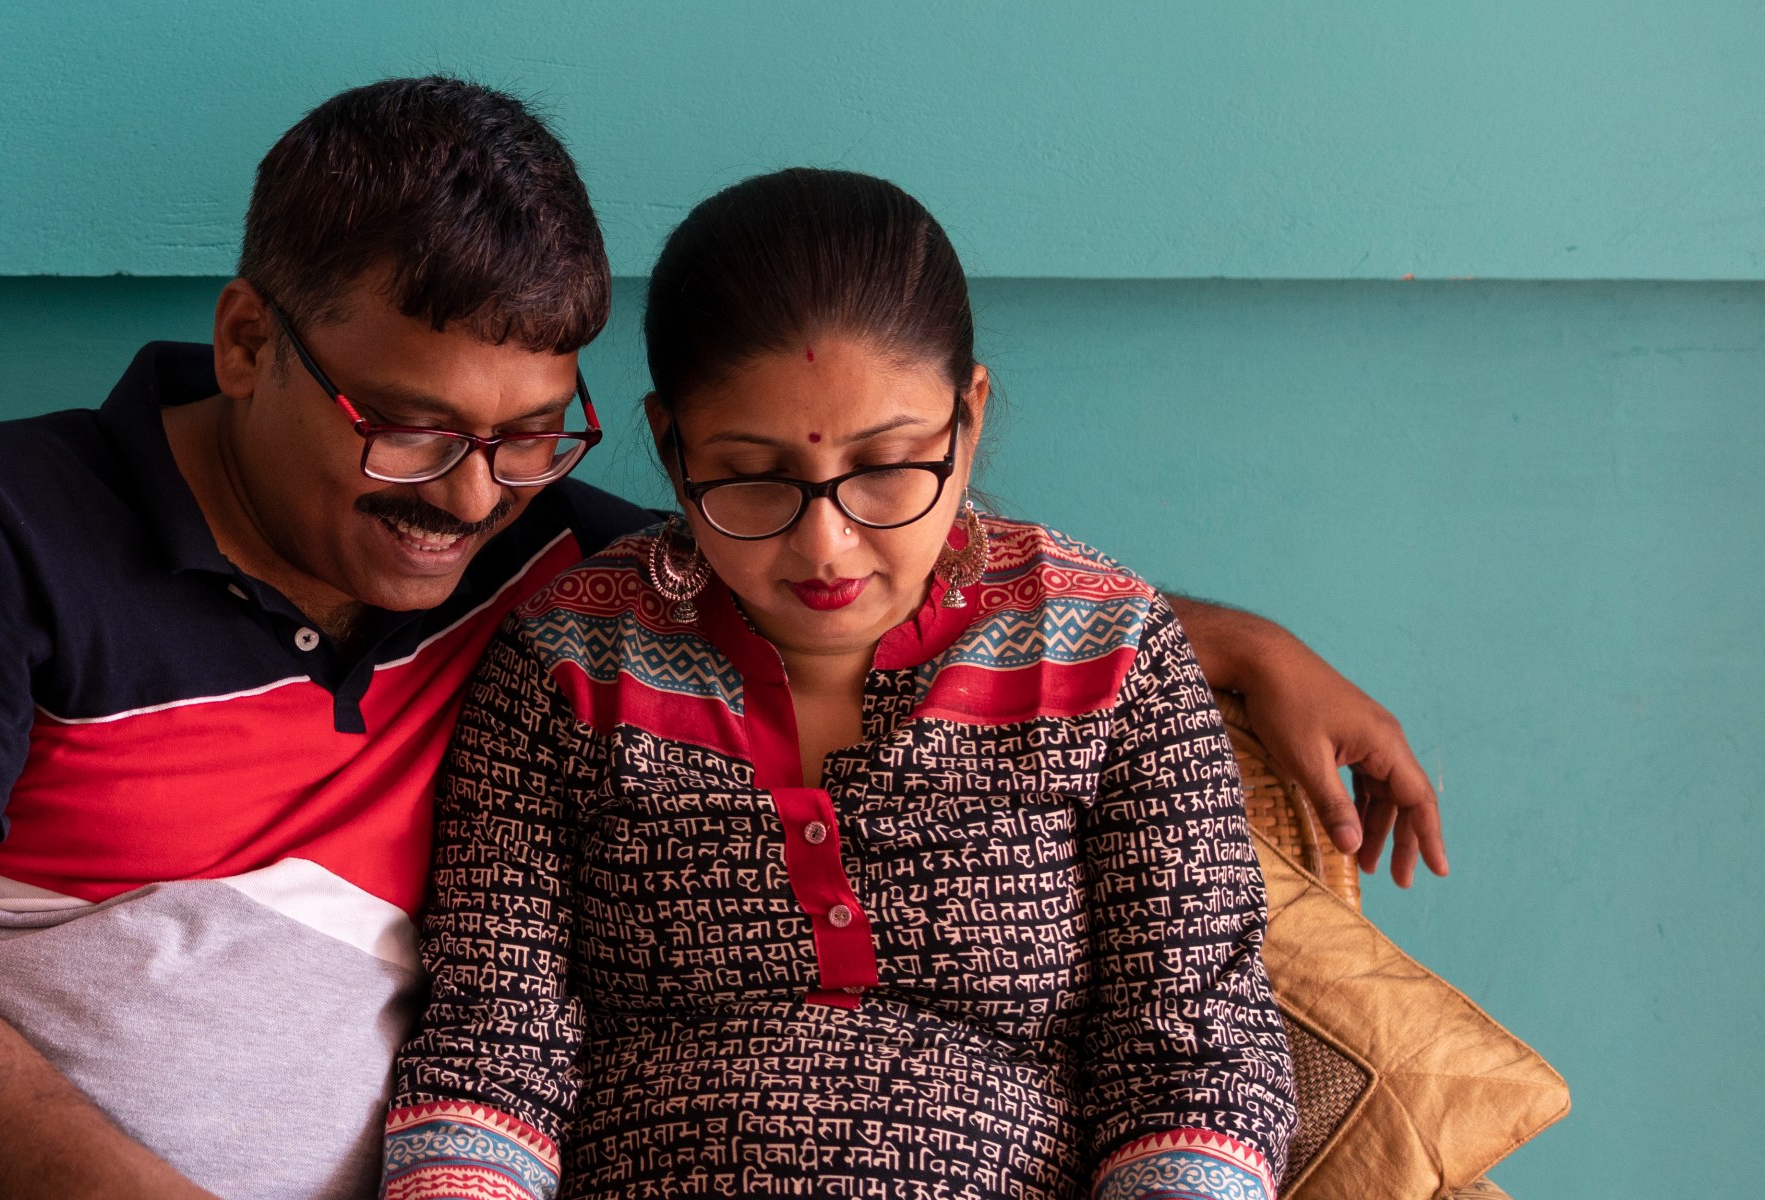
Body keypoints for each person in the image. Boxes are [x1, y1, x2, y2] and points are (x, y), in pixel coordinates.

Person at [0, 79, 1437, 1200]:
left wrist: (1234, 642)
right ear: (246, 341)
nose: (466, 502)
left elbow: (853, 569)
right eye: (414, 425)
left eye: (533, 432)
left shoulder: (546, 556)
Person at [382, 168, 1299, 1200]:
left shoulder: (1110, 656)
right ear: (673, 450)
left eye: (888, 467)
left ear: (970, 418)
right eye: (752, 475)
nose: (826, 546)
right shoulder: (565, 665)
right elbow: (494, 1049)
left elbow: (1195, 1061)